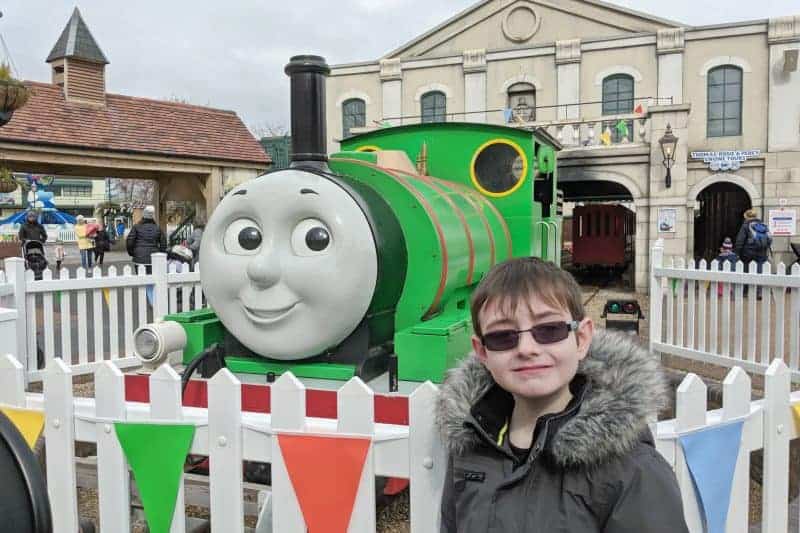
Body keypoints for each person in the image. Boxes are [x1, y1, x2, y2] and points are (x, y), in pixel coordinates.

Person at [438, 257, 688, 533]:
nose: (526, 348)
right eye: (503, 336)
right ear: (482, 351)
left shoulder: (632, 469)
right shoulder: (471, 445)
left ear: (581, 339)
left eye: (549, 330)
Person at [734, 209, 772, 298]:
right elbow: (768, 239)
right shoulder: (762, 225)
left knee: (746, 271)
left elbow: (740, 240)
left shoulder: (746, 225)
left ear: (746, 216)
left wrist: (737, 252)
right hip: (761, 252)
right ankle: (759, 292)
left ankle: (746, 291)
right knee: (760, 271)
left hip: (748, 253)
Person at [126, 205, 166, 274]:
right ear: (152, 217)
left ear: (143, 216)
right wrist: (159, 254)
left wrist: (133, 253)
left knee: (141, 280)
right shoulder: (157, 228)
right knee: (153, 279)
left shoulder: (136, 227)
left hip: (139, 258)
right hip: (154, 259)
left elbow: (129, 242)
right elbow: (163, 244)